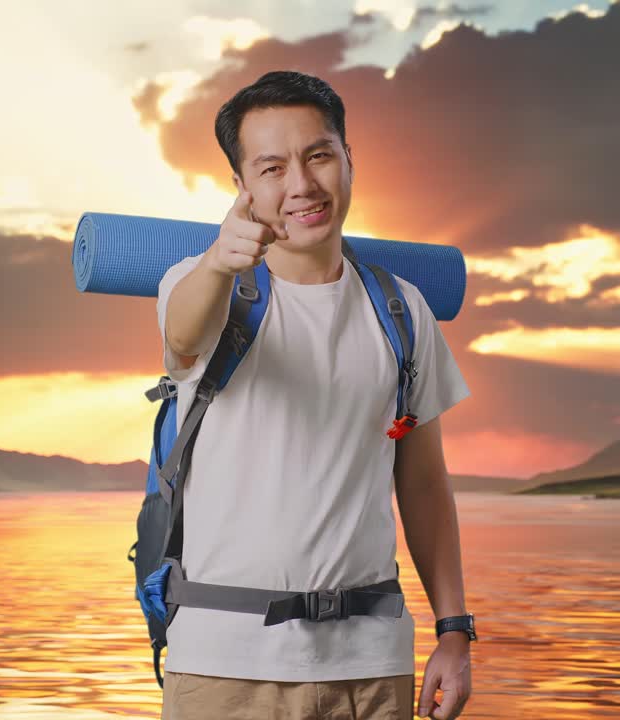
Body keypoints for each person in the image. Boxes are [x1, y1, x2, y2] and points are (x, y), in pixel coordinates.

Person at [156, 70, 474, 720]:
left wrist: (454, 629)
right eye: (272, 168)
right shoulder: (203, 286)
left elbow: (423, 483)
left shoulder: (403, 311)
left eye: (319, 155)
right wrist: (219, 262)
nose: (301, 184)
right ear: (242, 188)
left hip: (372, 667)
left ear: (349, 161)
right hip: (225, 667)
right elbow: (182, 335)